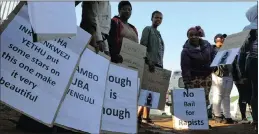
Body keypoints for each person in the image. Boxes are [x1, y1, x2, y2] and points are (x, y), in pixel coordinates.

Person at [180, 26, 216, 124]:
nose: (194, 37)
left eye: (196, 34)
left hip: (207, 77)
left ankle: (203, 122)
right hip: (194, 79)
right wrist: (187, 82)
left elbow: (214, 56)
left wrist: (213, 67)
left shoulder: (207, 45)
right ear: (187, 37)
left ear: (199, 35)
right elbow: (185, 68)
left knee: (205, 100)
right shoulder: (185, 51)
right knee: (196, 101)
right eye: (191, 35)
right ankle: (196, 122)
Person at [138, 10, 164, 124]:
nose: (158, 20)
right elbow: (143, 45)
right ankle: (141, 116)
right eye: (156, 17)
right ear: (151, 18)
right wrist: (149, 61)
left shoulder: (158, 34)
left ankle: (143, 116)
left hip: (158, 65)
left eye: (160, 18)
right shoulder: (147, 29)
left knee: (151, 91)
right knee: (146, 90)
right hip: (149, 64)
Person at [239, 4, 258, 131]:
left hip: (253, 62)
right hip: (254, 62)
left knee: (256, 92)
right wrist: (243, 73)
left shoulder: (249, 28)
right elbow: (242, 51)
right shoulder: (249, 29)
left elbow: (242, 52)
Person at [211, 33, 235, 124]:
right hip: (218, 74)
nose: (221, 40)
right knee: (218, 95)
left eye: (222, 39)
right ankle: (217, 115)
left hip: (228, 74)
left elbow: (233, 62)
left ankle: (227, 116)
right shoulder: (213, 50)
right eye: (219, 39)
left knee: (227, 96)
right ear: (216, 41)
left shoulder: (229, 50)